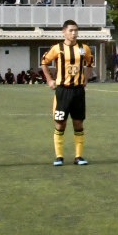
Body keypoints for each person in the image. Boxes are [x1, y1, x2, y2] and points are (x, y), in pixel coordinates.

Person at [41, 19, 95, 166]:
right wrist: (49, 80)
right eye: (71, 30)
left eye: (76, 30)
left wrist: (86, 78)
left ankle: (79, 156)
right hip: (62, 91)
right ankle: (59, 156)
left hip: (78, 91)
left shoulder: (84, 48)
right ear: (64, 32)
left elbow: (90, 63)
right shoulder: (57, 48)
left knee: (78, 123)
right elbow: (44, 62)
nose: (74, 33)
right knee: (60, 124)